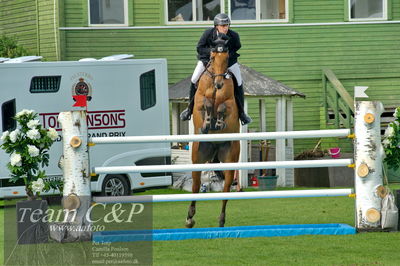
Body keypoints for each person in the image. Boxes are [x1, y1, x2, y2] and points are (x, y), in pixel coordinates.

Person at [180, 13, 252, 125]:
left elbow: (237, 47)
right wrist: (213, 54)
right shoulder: (208, 34)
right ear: (216, 26)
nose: (225, 27)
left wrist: (225, 57)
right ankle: (189, 109)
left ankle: (242, 113)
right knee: (194, 79)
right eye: (222, 25)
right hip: (207, 61)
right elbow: (199, 47)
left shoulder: (234, 36)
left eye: (227, 25)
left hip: (228, 63)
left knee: (239, 82)